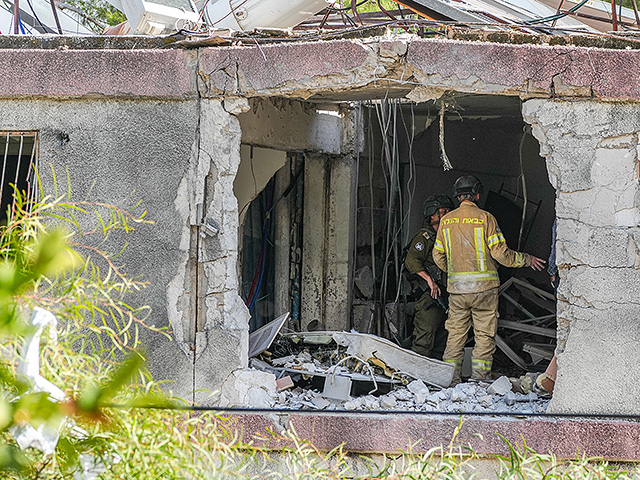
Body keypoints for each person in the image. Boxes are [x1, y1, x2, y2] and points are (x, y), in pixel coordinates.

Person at [432, 175, 546, 384]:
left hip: (457, 291)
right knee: (484, 336)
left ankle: (449, 380)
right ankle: (479, 379)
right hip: (484, 290)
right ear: (477, 195)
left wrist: (455, 271)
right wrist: (527, 260)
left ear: (457, 197)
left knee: (455, 336)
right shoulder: (486, 218)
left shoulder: (446, 221)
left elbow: (437, 256)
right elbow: (502, 255)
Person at [404, 194, 454, 359]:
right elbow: (411, 261)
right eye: (443, 211)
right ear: (432, 214)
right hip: (430, 296)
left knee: (444, 338)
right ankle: (416, 379)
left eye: (449, 211)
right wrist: (429, 281)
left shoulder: (450, 238)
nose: (447, 215)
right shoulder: (424, 237)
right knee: (424, 339)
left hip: (448, 294)